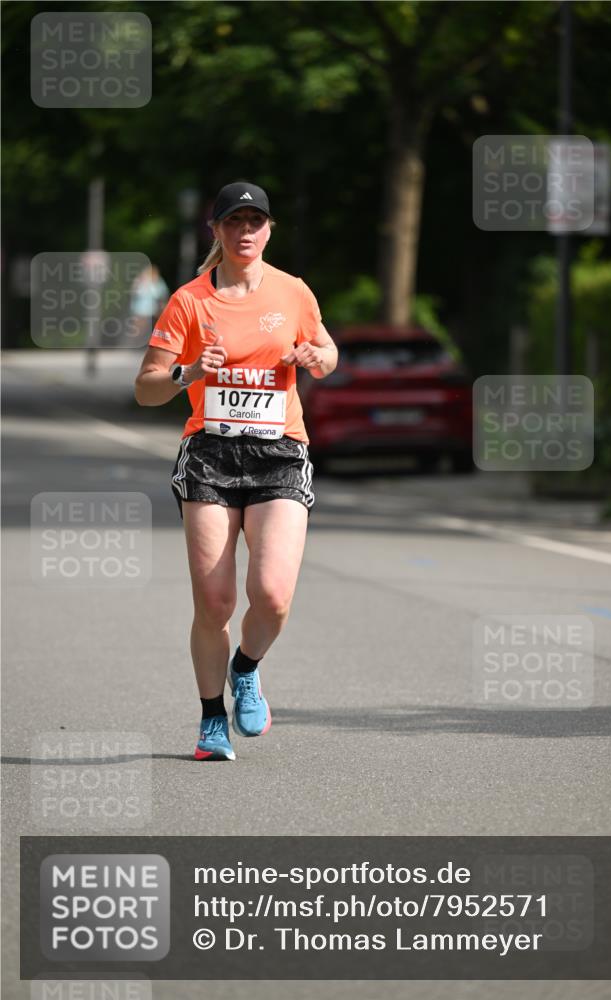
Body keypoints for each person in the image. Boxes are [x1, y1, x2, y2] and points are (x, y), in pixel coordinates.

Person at [134, 181, 338, 761]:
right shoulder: (190, 301)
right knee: (216, 602)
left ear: (269, 230)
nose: (245, 231)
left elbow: (326, 353)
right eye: (234, 222)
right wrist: (189, 371)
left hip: (278, 452)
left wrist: (315, 358)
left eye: (256, 222)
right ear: (216, 231)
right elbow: (146, 388)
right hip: (210, 456)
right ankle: (210, 720)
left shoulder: (293, 292)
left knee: (271, 595)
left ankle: (245, 668)